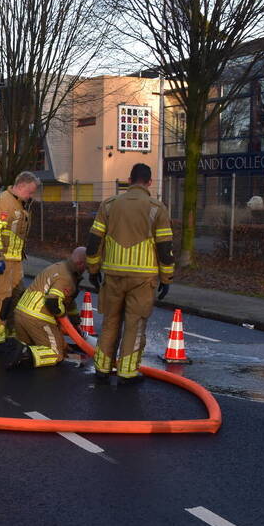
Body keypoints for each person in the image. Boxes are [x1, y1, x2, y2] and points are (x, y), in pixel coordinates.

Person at [85, 163, 174, 385]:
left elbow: (93, 241)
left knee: (110, 322)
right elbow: (165, 248)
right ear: (149, 182)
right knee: (135, 325)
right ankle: (126, 372)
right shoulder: (157, 208)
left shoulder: (108, 205)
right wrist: (166, 279)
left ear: (129, 179)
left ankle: (102, 368)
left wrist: (93, 270)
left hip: (113, 275)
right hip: (143, 279)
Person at [5, 247, 87, 369]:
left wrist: (75, 323)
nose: (88, 269)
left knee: (41, 344)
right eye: (87, 265)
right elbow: (53, 302)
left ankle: (19, 348)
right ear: (80, 263)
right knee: (56, 353)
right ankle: (24, 353)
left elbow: (69, 303)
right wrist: (65, 321)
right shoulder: (67, 278)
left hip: (21, 314)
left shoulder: (59, 266)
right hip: (37, 318)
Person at [0, 171, 39, 349]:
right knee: (2, 298)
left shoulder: (19, 203)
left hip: (15, 259)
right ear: (21, 186)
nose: (31, 196)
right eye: (30, 192)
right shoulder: (4, 201)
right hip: (2, 258)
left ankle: (11, 331)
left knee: (17, 295)